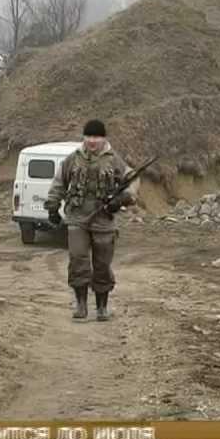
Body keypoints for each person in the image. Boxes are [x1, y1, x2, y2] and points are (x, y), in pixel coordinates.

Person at [43, 120, 139, 321]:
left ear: (103, 138)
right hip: (77, 218)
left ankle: (102, 307)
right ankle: (81, 305)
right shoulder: (72, 160)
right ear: (83, 138)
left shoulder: (114, 160)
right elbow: (59, 183)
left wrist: (122, 199)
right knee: (78, 260)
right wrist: (53, 207)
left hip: (103, 220)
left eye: (96, 137)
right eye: (89, 137)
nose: (92, 141)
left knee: (102, 264)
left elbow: (133, 179)